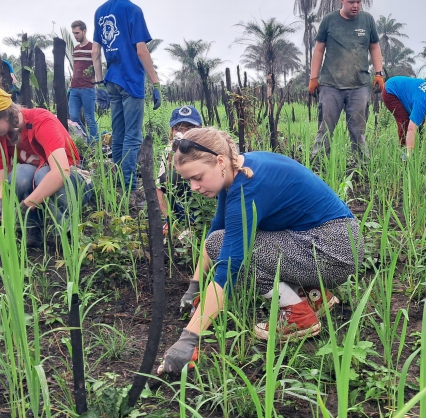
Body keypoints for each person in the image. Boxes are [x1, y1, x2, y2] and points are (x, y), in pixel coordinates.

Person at [159, 127, 364, 373]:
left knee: (224, 247)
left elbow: (228, 267)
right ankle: (314, 296)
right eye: (188, 180)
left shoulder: (247, 188)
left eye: (198, 177)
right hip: (330, 241)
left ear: (220, 161)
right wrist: (195, 287)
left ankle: (296, 313)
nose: (193, 187)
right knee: (219, 239)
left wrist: (188, 340)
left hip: (332, 251)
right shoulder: (238, 170)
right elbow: (217, 228)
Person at [0, 85, 91, 247]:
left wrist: (26, 205)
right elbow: (4, 181)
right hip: (41, 185)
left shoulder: (42, 121)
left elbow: (61, 172)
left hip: (75, 181)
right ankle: (32, 229)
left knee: (44, 174)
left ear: (5, 115)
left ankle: (67, 231)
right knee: (20, 174)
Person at [92, 0, 162, 191]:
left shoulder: (100, 11)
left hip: (111, 80)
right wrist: (155, 82)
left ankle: (118, 184)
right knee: (133, 135)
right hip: (131, 79)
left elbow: (95, 51)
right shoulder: (133, 10)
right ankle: (129, 187)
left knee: (119, 134)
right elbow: (141, 50)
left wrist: (99, 84)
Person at [308, 0, 384, 162]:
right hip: (330, 85)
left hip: (359, 85)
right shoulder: (329, 20)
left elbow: (375, 46)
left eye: (358, 2)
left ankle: (361, 166)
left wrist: (379, 73)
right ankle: (318, 165)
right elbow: (319, 49)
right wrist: (313, 78)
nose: (355, 5)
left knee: (358, 131)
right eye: (351, 2)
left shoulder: (367, 20)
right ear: (342, 1)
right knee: (325, 129)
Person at [157, 105, 203, 236]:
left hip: (205, 202)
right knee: (169, 177)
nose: (183, 133)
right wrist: (169, 219)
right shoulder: (170, 149)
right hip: (183, 204)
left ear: (199, 129)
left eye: (189, 128)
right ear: (172, 130)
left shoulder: (207, 148)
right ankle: (178, 222)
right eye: (178, 129)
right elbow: (159, 188)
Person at [381, 76, 426, 158]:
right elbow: (411, 129)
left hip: (406, 89)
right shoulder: (421, 103)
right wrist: (409, 153)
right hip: (391, 90)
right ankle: (405, 154)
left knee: (420, 120)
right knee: (405, 122)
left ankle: (418, 146)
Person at [68, 20, 99, 146]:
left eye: (77, 33)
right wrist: (70, 84)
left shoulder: (92, 48)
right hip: (74, 88)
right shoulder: (75, 49)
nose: (75, 36)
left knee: (89, 118)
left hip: (87, 88)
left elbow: (97, 66)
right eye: (74, 33)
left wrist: (97, 81)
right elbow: (76, 68)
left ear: (84, 31)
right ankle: (86, 138)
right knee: (74, 117)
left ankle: (94, 145)